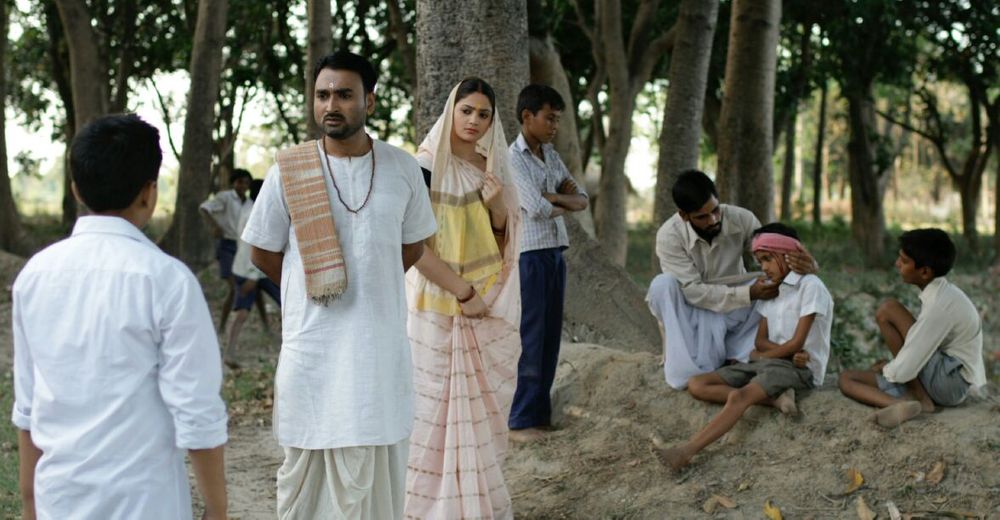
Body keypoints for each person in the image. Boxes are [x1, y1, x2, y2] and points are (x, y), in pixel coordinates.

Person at [241, 50, 436, 519]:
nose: (331, 105)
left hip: (378, 352)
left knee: (379, 474)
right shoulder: (289, 171)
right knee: (305, 472)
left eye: (344, 95)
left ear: (370, 101)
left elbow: (413, 246)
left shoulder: (403, 168)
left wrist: (371, 281)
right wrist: (310, 284)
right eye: (323, 95)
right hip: (314, 350)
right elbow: (262, 252)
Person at [11, 114, 228, 519]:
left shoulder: (35, 276)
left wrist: (29, 505)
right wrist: (217, 510)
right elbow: (197, 411)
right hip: (146, 504)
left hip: (60, 500)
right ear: (149, 193)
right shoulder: (168, 280)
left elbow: (28, 408)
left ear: (76, 189)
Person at [404, 78, 522, 520]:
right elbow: (413, 246)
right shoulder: (424, 166)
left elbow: (504, 242)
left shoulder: (492, 169)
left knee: (476, 415)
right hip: (436, 306)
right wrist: (462, 292)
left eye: (483, 114)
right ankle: (425, 509)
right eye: (466, 110)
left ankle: (473, 506)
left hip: (484, 307)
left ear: (493, 122)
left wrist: (497, 208)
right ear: (451, 111)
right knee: (432, 407)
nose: (474, 121)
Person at [655, 223, 833, 470]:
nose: (764, 267)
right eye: (760, 261)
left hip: (799, 368)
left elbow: (796, 343)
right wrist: (762, 355)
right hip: (774, 362)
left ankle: (685, 452)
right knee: (697, 384)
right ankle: (776, 399)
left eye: (768, 259)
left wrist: (762, 356)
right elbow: (760, 341)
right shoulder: (775, 290)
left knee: (740, 396)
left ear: (789, 255)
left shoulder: (811, 286)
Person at [647, 170, 816, 390]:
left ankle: (748, 355)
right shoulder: (669, 236)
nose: (713, 220)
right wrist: (748, 294)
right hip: (693, 312)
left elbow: (773, 252)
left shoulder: (741, 218)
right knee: (661, 285)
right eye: (702, 217)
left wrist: (807, 264)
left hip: (736, 308)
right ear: (684, 215)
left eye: (715, 210)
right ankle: (688, 369)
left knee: (777, 282)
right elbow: (692, 291)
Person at [838, 229, 986, 428]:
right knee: (846, 379)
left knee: (888, 310)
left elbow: (915, 352)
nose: (897, 264)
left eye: (904, 261)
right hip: (943, 379)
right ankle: (900, 404)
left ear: (924, 272)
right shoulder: (940, 294)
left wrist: (889, 369)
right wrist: (893, 368)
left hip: (950, 383)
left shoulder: (940, 304)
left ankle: (918, 397)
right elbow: (917, 347)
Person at [507, 84, 588, 442]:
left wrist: (552, 197)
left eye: (557, 119)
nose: (555, 126)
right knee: (532, 336)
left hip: (555, 252)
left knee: (551, 336)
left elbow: (581, 199)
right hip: (530, 256)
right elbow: (536, 209)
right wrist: (558, 201)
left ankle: (539, 415)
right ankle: (520, 420)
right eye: (550, 118)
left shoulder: (550, 155)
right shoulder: (513, 158)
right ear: (527, 116)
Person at [225, 178, 281, 367]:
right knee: (242, 311)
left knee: (266, 299)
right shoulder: (254, 213)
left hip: (251, 268)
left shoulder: (248, 208)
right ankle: (229, 352)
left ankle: (267, 330)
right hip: (251, 270)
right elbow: (251, 247)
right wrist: (252, 276)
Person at [200, 168, 252, 331]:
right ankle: (222, 327)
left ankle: (231, 326)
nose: (243, 186)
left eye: (246, 183)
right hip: (226, 245)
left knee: (247, 287)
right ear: (233, 183)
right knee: (234, 287)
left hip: (242, 247)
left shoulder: (250, 203)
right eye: (240, 182)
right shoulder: (225, 197)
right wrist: (214, 226)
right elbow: (204, 208)